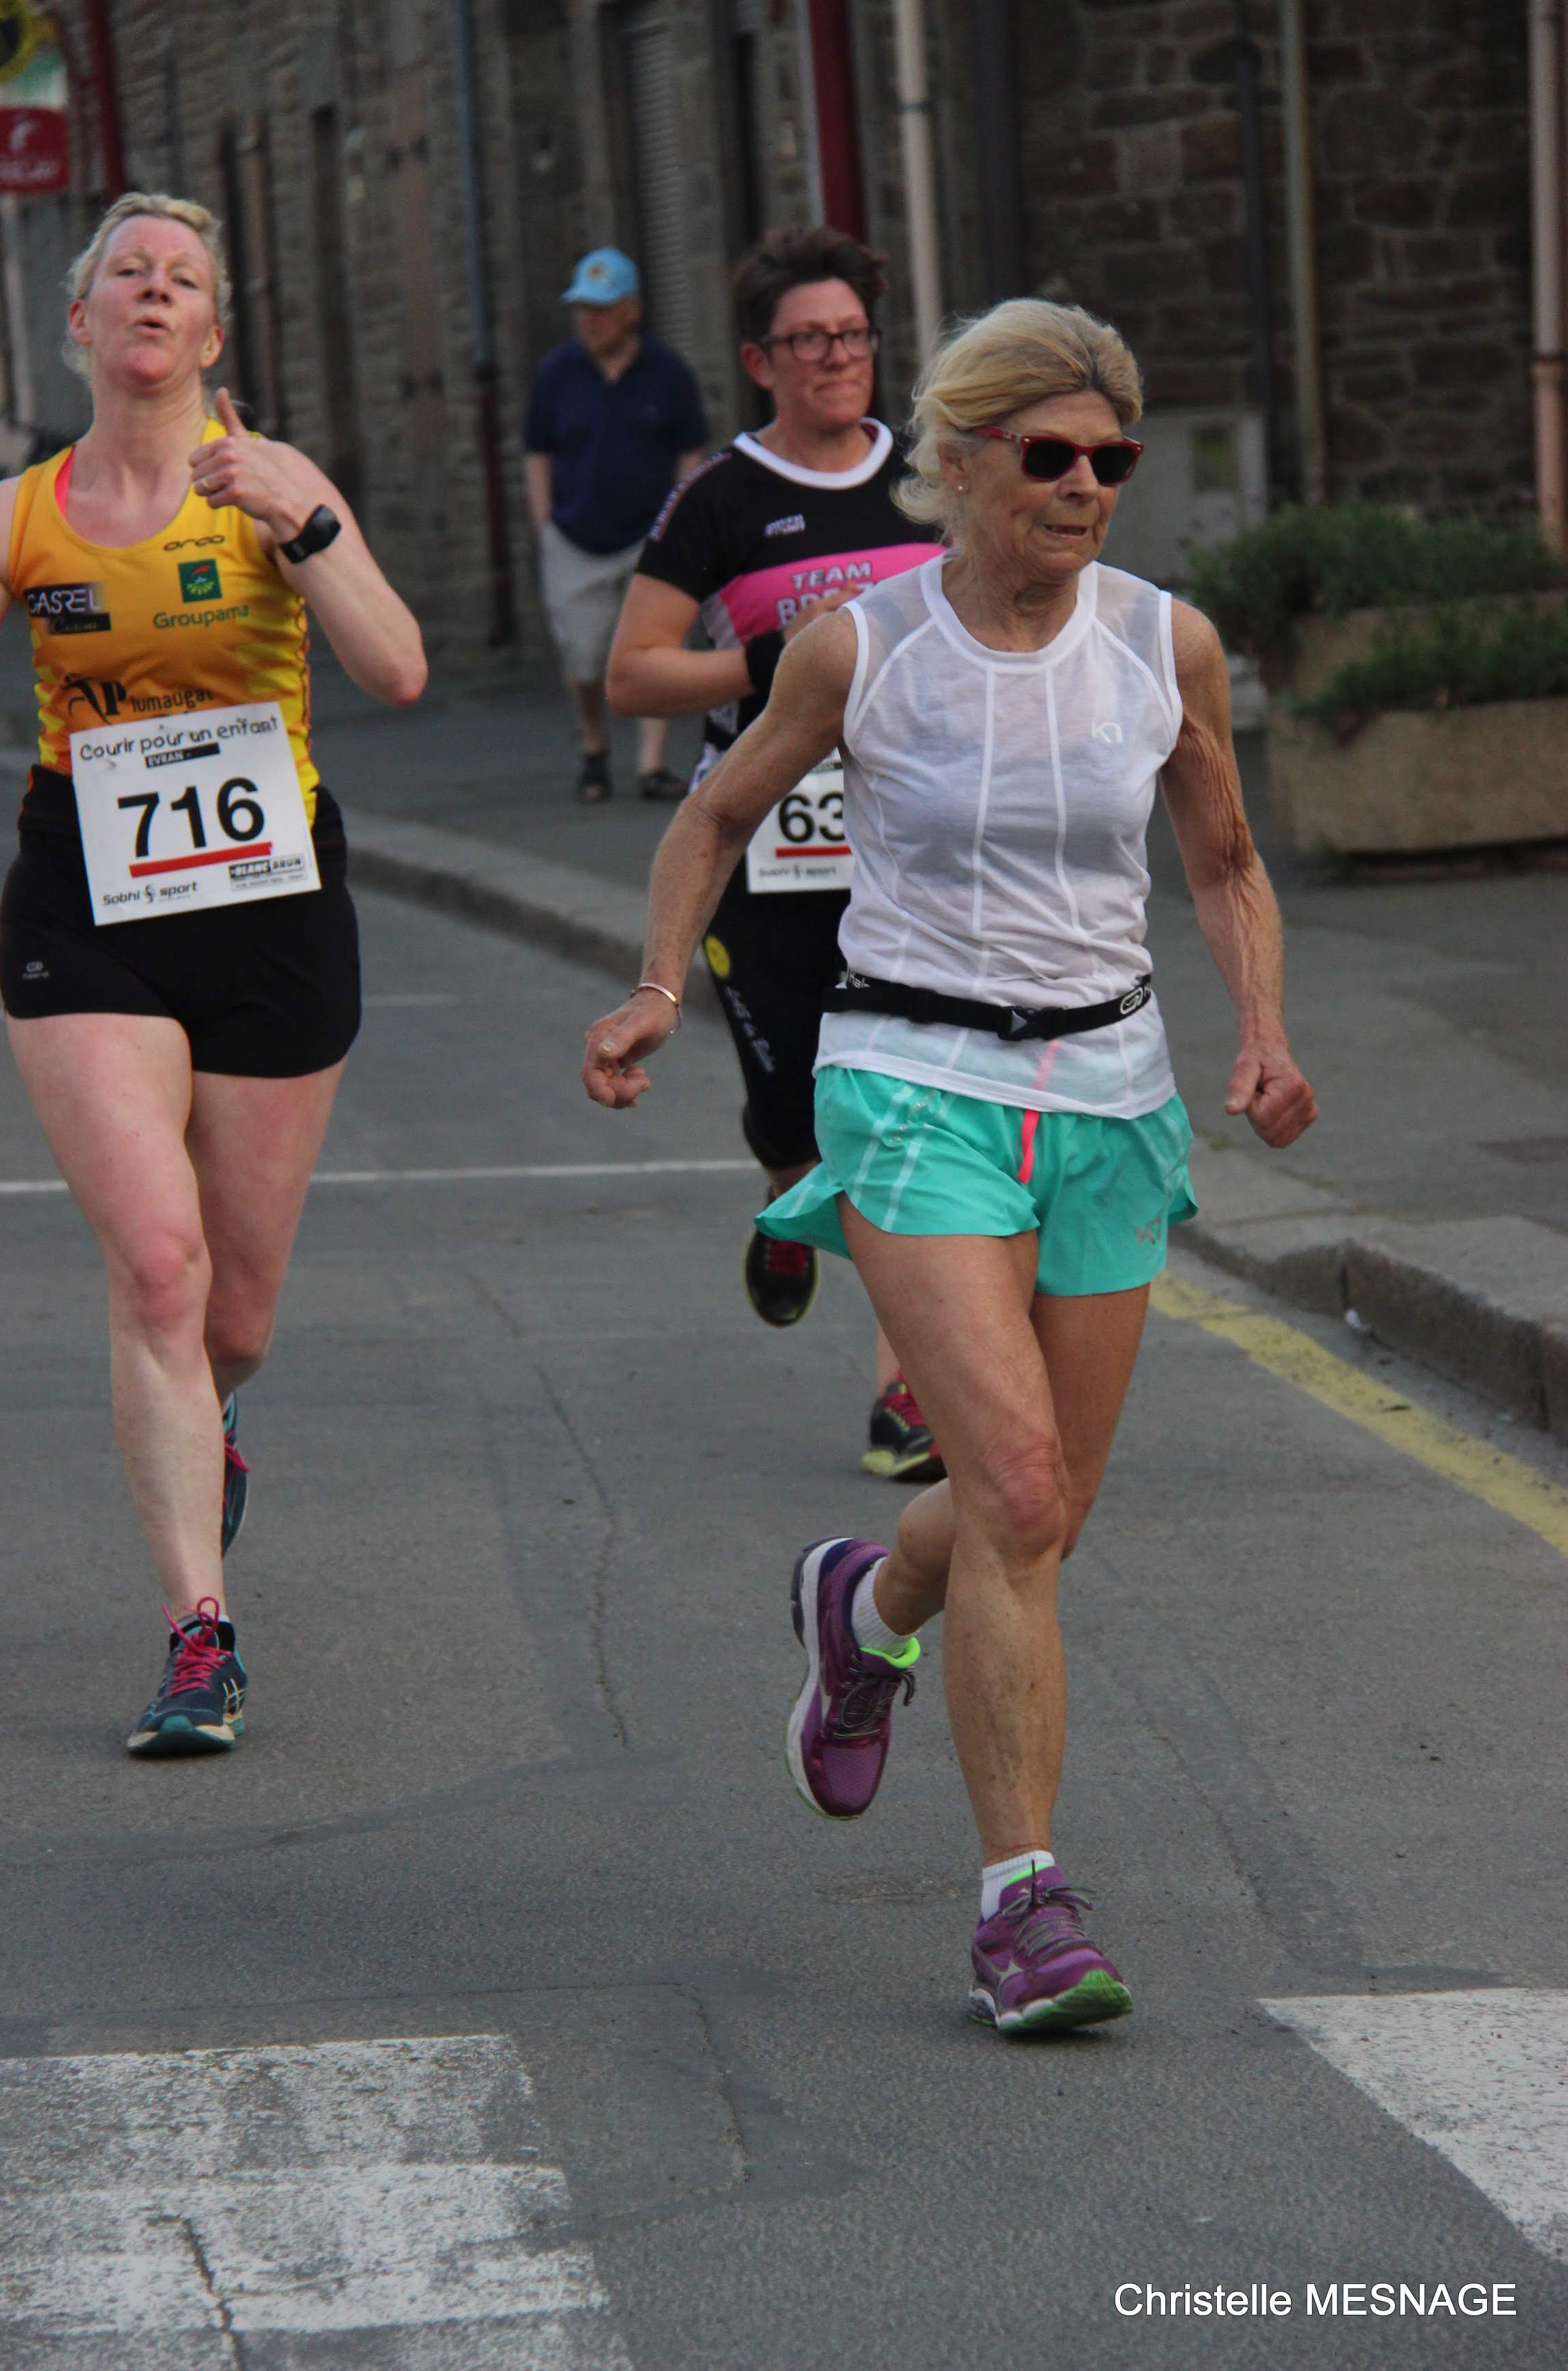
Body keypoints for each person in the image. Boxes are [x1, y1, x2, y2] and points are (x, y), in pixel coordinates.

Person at [584, 298, 1316, 2032]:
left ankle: (868, 1600)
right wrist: (658, 989)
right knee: (1022, 1491)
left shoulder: (1165, 643)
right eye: (1049, 455)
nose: (1084, 488)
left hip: (1111, 1092)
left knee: (1037, 1508)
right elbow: (715, 811)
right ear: (965, 460)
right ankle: (1019, 1903)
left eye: (1112, 461)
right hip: (913, 1079)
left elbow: (1222, 858)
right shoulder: (863, 647)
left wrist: (1264, 1029)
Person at [0, 191, 427, 1755]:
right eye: (128, 271)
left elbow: (396, 668)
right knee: (159, 1270)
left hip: (271, 905)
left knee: (230, 1313)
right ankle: (200, 1633)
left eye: (183, 277)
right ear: (81, 320)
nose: (155, 291)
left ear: (215, 332)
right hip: (84, 904)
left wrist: (307, 525)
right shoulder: (19, 514)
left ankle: (210, 1413)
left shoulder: (270, 487)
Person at [606, 224, 945, 1483]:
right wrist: (772, 663)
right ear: (760, 360)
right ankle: (786, 1201)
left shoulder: (931, 476)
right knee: (798, 1112)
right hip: (767, 844)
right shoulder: (721, 500)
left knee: (903, 1110)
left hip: (911, 839)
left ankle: (906, 1392)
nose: (835, 357)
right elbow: (634, 674)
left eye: (852, 334)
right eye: (807, 340)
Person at [523, 247, 706, 803]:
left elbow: (690, 447)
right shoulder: (557, 374)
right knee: (583, 656)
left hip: (648, 539)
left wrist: (679, 517)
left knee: (656, 651)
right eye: (583, 309)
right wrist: (543, 519)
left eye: (601, 309)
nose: (590, 321)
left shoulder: (668, 372)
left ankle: (651, 763)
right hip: (576, 537)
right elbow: (538, 451)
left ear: (631, 310)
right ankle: (594, 744)